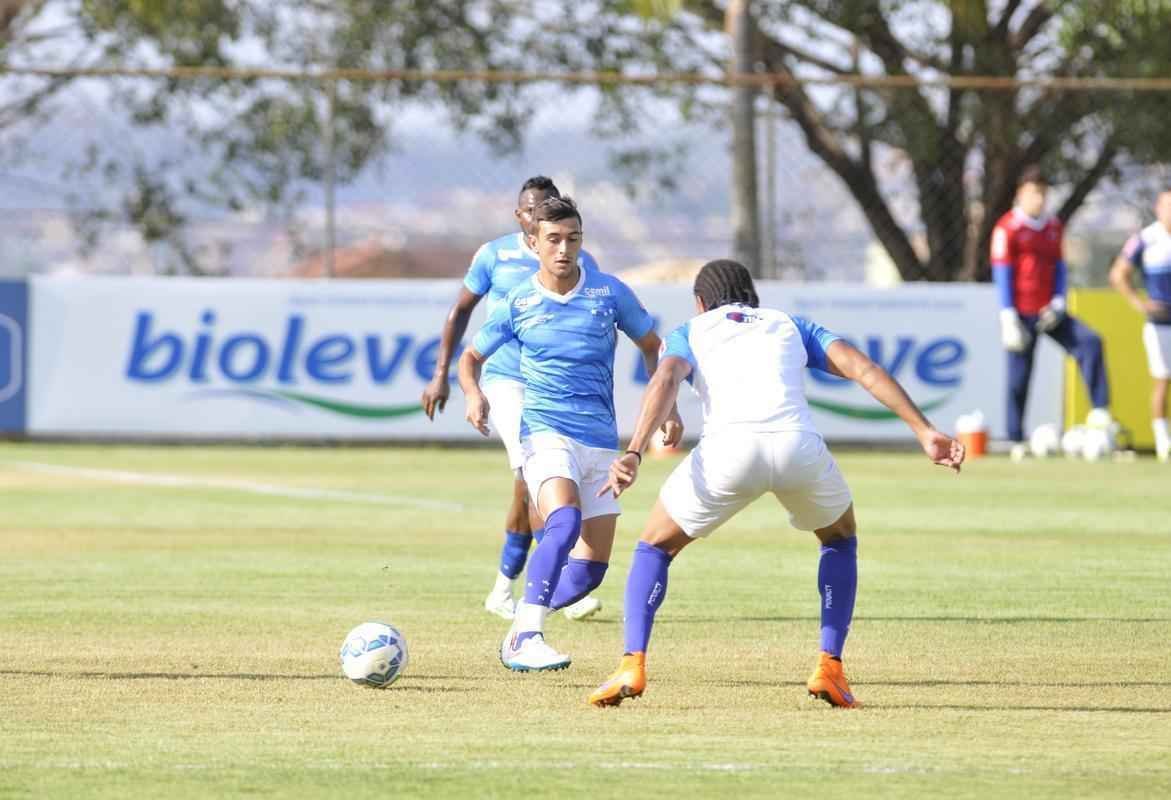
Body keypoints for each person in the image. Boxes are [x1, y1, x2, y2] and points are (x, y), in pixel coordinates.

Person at [586, 260, 965, 709]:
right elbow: (862, 368)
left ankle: (633, 662)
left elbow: (666, 377)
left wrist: (634, 449)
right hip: (796, 447)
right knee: (840, 538)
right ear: (754, 298)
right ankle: (831, 667)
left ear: (701, 302)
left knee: (654, 547)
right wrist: (924, 430)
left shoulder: (693, 329)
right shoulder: (789, 324)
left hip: (729, 452)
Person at [458, 196, 683, 672]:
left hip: (600, 440)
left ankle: (521, 624)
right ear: (534, 243)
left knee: (587, 575)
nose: (564, 249)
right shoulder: (518, 300)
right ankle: (528, 637)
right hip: (544, 432)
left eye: (573, 239)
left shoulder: (609, 293)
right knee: (562, 522)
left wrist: (670, 406)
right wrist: (473, 394)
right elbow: (471, 357)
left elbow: (652, 347)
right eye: (554, 240)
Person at [421, 176, 603, 621]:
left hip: (554, 388)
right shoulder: (494, 255)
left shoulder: (578, 260)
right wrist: (447, 377)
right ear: (519, 216)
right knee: (535, 476)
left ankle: (505, 589)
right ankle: (553, 586)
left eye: (541, 210)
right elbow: (460, 310)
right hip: (507, 381)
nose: (532, 217)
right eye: (526, 211)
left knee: (533, 485)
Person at [992, 166, 1111, 457]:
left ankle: (1100, 412)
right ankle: (1015, 438)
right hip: (1020, 314)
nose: (1040, 199)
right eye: (1034, 192)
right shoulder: (1007, 228)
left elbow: (1059, 268)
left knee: (1090, 342)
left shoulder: (1053, 227)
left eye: (1044, 193)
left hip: (1050, 313)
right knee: (1019, 376)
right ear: (1021, 194)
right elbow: (1002, 271)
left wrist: (1059, 302)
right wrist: (1007, 315)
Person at [1109, 190, 1171, 462]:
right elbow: (1118, 274)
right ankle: (1163, 442)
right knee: (1162, 380)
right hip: (1160, 323)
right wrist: (1139, 303)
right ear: (1158, 208)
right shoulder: (1146, 239)